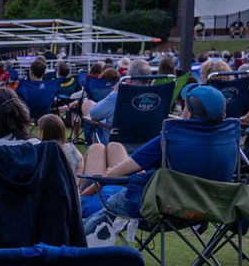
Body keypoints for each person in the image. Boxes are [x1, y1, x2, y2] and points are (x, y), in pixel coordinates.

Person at [79, 85, 234, 234]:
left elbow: (112, 176)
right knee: (114, 146)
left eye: (185, 106)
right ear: (224, 114)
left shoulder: (171, 138)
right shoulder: (228, 138)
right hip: (209, 207)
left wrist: (84, 194)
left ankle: (80, 197)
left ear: (189, 113)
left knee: (97, 151)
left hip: (157, 208)